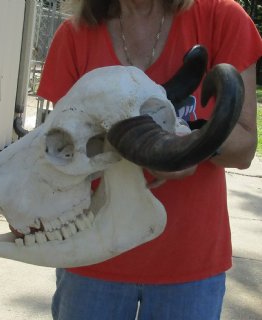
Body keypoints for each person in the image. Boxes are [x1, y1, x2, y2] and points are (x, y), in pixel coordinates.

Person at [37, 0, 262, 319]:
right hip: (91, 258)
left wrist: (187, 145)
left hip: (189, 268)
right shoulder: (74, 35)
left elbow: (244, 148)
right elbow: (57, 153)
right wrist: (138, 146)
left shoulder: (222, 18)